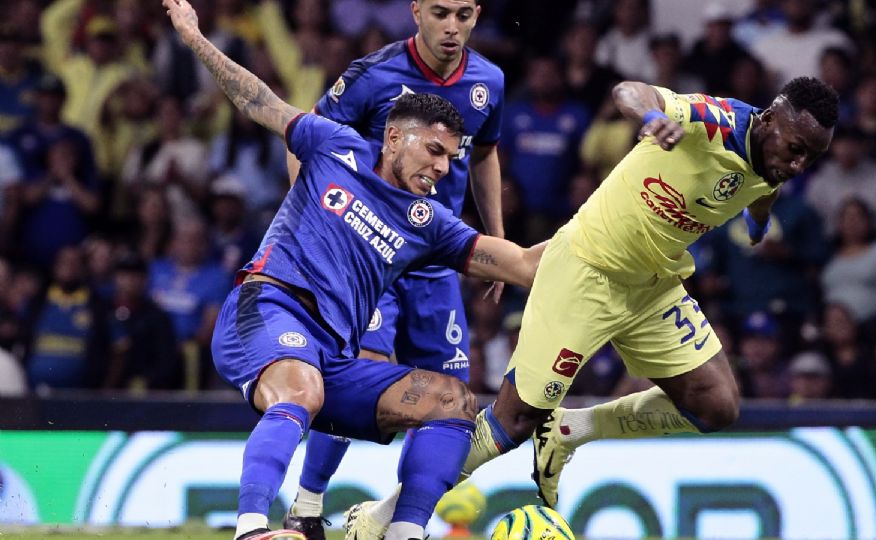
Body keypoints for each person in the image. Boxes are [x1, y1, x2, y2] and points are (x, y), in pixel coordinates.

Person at [344, 75, 837, 530]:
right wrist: (650, 118)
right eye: (795, 150)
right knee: (513, 421)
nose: (797, 165)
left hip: (653, 285)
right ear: (770, 120)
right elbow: (630, 91)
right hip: (585, 270)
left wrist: (756, 220)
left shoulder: (775, 159)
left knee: (718, 406)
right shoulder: (716, 120)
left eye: (809, 160)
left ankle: (572, 429)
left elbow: (761, 187)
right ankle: (379, 516)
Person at [162, 2, 542, 540]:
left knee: (453, 401)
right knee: (302, 388)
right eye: (433, 151)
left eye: (448, 158)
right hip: (271, 307)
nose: (441, 167)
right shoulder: (335, 144)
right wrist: (195, 37)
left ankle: (404, 533)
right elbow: (258, 99)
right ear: (392, 137)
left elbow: (524, 262)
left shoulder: (431, 223)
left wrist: (617, 228)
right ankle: (255, 528)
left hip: (334, 352)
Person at [283, 1, 506, 537]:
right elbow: (304, 140)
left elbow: (484, 154)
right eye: (440, 12)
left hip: (436, 259)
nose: (452, 27)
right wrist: (315, 221)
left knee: (451, 398)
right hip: (371, 248)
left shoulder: (489, 81)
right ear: (416, 12)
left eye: (464, 14)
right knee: (363, 360)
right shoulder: (372, 74)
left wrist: (495, 236)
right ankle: (308, 508)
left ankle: (405, 526)